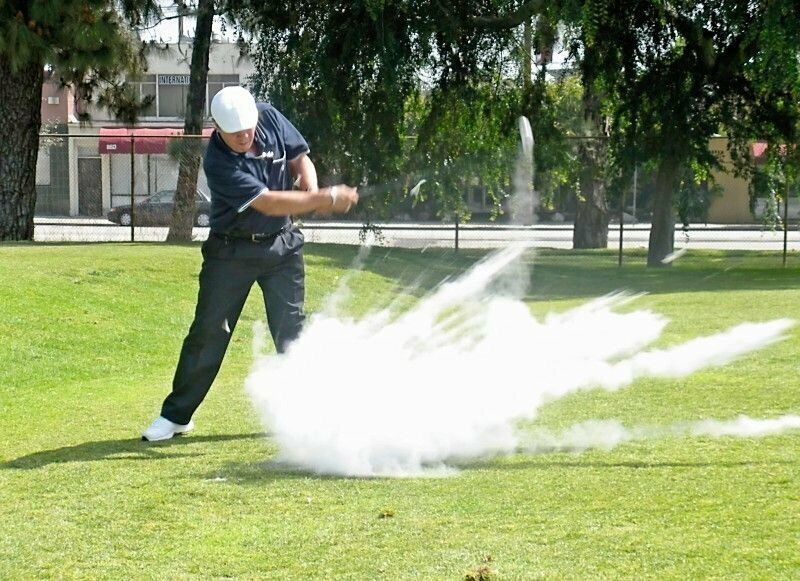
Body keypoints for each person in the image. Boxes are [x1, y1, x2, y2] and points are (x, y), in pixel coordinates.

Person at [142, 86, 358, 441]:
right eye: (235, 132)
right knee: (209, 332)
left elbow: (299, 155)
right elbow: (269, 202)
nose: (245, 136)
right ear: (218, 128)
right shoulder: (218, 161)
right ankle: (177, 416)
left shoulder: (268, 116)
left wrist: (311, 185)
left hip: (282, 248)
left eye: (248, 128)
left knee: (292, 331)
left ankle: (311, 416)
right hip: (231, 254)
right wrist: (322, 200)